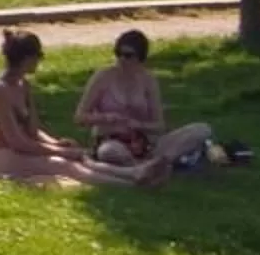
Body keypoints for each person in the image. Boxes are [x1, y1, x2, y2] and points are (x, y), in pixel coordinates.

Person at [0, 32, 160, 186]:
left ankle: (135, 173)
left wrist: (56, 143)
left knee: (80, 158)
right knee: (62, 165)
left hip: (20, 151)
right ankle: (131, 185)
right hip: (1, 157)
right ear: (27, 59)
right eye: (38, 57)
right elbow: (17, 142)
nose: (39, 62)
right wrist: (60, 151)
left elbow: (33, 131)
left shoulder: (23, 85)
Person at [76, 29, 240, 172]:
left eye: (128, 56)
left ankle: (151, 163)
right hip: (111, 139)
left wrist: (137, 124)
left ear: (140, 58)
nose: (122, 60)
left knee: (202, 129)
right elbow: (80, 117)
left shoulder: (148, 81)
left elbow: (159, 125)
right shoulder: (103, 77)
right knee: (109, 152)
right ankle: (146, 167)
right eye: (118, 54)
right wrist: (106, 118)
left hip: (144, 142)